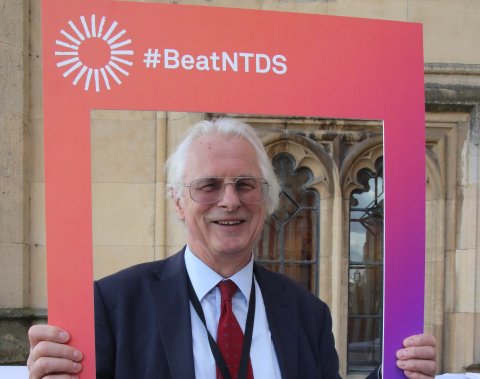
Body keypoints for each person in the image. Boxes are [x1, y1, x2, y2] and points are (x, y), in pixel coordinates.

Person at [27, 118, 436, 379]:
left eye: (245, 184)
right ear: (178, 202)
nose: (230, 201)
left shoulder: (308, 314)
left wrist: (394, 375)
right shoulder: (114, 305)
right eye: (208, 185)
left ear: (267, 197)